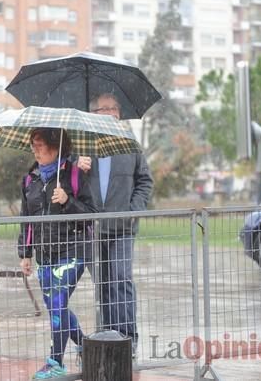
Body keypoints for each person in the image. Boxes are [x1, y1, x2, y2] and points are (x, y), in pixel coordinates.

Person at [76, 93, 153, 356]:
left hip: (122, 228)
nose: (110, 113)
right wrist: (77, 169)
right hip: (92, 229)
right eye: (103, 109)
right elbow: (67, 185)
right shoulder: (82, 144)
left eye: (114, 109)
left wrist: (134, 210)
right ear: (93, 114)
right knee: (103, 285)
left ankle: (128, 338)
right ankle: (107, 337)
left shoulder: (129, 144)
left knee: (120, 278)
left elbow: (145, 181)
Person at [18, 128, 97, 379]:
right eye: (33, 145)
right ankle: (85, 346)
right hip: (45, 255)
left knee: (57, 304)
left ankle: (55, 362)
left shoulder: (74, 174)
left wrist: (67, 201)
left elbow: (91, 214)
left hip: (73, 251)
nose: (35, 149)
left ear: (56, 146)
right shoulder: (30, 180)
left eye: (40, 144)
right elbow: (27, 220)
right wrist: (25, 253)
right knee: (56, 308)